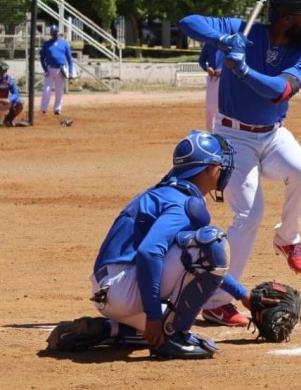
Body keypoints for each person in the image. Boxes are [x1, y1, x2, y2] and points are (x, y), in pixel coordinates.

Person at [178, 0, 301, 326]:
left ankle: (288, 238)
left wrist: (243, 70)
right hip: (231, 137)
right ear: (287, 19)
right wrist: (219, 42)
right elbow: (189, 21)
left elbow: (280, 91)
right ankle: (215, 302)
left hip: (272, 134)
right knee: (249, 214)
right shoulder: (242, 30)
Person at [46, 130, 254, 359]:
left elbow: (194, 262)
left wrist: (244, 296)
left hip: (108, 289)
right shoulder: (184, 203)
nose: (223, 169)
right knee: (212, 241)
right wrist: (154, 316)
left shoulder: (166, 193)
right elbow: (150, 252)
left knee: (178, 297)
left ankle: (110, 330)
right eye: (219, 164)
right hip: (125, 287)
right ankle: (172, 336)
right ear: (208, 169)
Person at [39, 24, 74, 115]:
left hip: (61, 69)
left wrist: (70, 71)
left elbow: (69, 59)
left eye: (56, 32)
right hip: (50, 69)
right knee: (47, 90)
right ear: (51, 33)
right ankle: (43, 109)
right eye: (53, 32)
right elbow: (42, 58)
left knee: (59, 90)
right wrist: (45, 69)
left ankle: (57, 109)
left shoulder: (64, 43)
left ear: (58, 32)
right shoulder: (47, 44)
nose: (55, 34)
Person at [198, 43, 225, 131]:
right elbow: (201, 60)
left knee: (225, 107)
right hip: (212, 79)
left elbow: (236, 61)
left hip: (227, 79)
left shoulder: (229, 44)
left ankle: (224, 131)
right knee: (210, 107)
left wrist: (223, 71)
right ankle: (210, 131)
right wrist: (207, 68)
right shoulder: (209, 44)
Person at [0, 61, 24, 127]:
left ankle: (8, 120)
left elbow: (16, 93)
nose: (3, 72)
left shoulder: (9, 79)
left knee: (20, 102)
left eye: (5, 70)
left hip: (6, 102)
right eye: (1, 70)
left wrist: (9, 99)